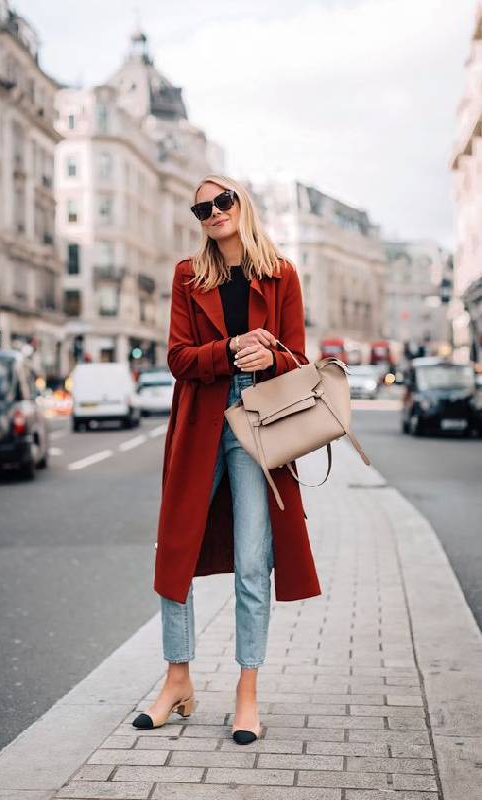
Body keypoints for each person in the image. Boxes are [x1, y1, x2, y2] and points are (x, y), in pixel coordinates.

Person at [132, 175, 321, 744]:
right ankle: (177, 679)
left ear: (242, 204)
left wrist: (270, 353)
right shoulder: (188, 275)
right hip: (199, 424)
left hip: (258, 425)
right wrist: (229, 350)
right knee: (175, 551)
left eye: (222, 201)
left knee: (252, 557)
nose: (212, 212)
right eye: (201, 208)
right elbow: (178, 358)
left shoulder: (282, 273)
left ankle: (247, 694)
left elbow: (299, 362)